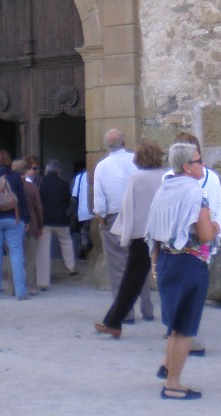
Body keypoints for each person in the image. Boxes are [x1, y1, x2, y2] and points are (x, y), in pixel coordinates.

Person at [145, 143, 219, 400]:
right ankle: (173, 385)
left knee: (174, 324)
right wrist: (216, 226)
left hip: (167, 260)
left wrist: (156, 263)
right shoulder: (196, 192)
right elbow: (205, 234)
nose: (203, 164)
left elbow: (154, 229)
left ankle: (168, 368)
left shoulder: (164, 190)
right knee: (185, 327)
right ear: (187, 166)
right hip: (189, 263)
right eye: (199, 161)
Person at [95, 140, 164, 337]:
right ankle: (116, 320)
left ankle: (114, 321)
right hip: (164, 233)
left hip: (141, 234)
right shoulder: (167, 177)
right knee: (157, 278)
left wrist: (123, 235)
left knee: (131, 279)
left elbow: (128, 208)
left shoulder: (136, 179)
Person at [168, 131, 221, 356]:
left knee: (193, 291)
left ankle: (183, 334)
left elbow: (220, 207)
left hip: (201, 245)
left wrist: (216, 228)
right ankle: (181, 335)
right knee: (180, 290)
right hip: (178, 245)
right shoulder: (167, 180)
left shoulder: (210, 178)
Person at [93, 128, 148, 322]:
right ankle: (147, 309)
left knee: (117, 266)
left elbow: (99, 198)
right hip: (138, 215)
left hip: (114, 216)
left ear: (106, 146)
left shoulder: (102, 166)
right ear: (124, 142)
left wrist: (101, 219)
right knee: (140, 262)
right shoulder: (136, 161)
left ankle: (125, 312)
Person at [0, 149, 30, 300]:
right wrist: (26, 219)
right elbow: (22, 200)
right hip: (14, 218)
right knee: (16, 253)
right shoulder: (14, 178)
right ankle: (21, 291)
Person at [37, 159, 77, 289]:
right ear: (59, 171)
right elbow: (67, 202)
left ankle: (43, 282)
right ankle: (71, 267)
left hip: (45, 219)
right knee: (66, 241)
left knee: (43, 250)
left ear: (46, 170)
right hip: (61, 218)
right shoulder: (64, 184)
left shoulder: (40, 182)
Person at [13, 156, 44, 295]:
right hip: (31, 225)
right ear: (25, 171)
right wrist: (40, 226)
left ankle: (14, 286)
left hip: (13, 224)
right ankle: (30, 286)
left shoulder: (9, 185)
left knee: (14, 257)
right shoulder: (31, 187)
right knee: (30, 258)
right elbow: (39, 208)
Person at [71, 165, 93, 259]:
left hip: (83, 212)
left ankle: (83, 253)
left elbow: (74, 196)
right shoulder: (99, 173)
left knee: (84, 234)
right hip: (98, 212)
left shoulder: (79, 177)